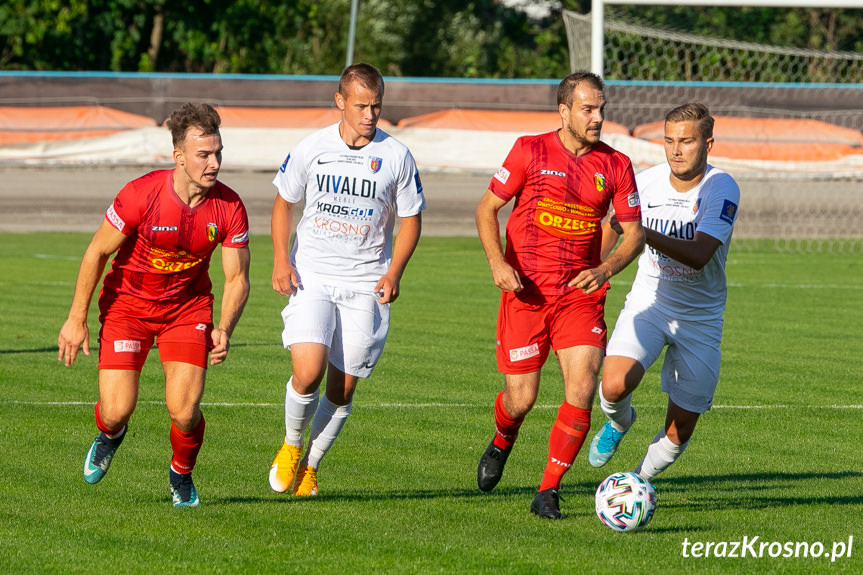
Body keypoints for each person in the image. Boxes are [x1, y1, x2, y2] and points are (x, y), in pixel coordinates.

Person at [57, 103, 251, 508]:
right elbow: (96, 253)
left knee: (184, 411)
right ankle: (109, 435)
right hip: (128, 308)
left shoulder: (230, 207)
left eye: (218, 152)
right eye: (204, 155)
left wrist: (225, 328)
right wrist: (76, 319)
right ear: (178, 156)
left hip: (187, 310)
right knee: (115, 411)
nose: (214, 162)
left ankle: (181, 473)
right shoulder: (140, 194)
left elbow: (236, 278)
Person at [475, 71, 646, 519]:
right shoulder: (529, 150)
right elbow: (487, 208)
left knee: (583, 386)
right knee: (521, 399)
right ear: (564, 111)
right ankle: (502, 439)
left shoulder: (616, 164)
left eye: (602, 109)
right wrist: (498, 262)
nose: (598, 117)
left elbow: (633, 233)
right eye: (588, 109)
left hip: (579, 295)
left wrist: (605, 268)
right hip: (527, 292)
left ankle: (548, 489)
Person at [268, 63, 425, 497]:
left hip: (367, 283)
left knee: (343, 386)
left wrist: (395, 272)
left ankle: (310, 468)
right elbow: (283, 204)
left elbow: (410, 221)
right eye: (361, 106)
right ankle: (291, 445)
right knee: (308, 371)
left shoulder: (396, 156)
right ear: (340, 102)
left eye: (376, 106)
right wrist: (282, 259)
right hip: (313, 275)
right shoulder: (311, 148)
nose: (370, 115)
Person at [588, 102, 740, 483]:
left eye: (687, 141)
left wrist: (640, 232)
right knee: (613, 385)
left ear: (708, 144)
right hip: (650, 303)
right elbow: (612, 225)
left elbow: (700, 254)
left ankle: (635, 482)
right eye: (669, 141)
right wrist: (595, 268)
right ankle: (620, 424)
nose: (675, 150)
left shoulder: (721, 187)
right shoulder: (646, 181)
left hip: (700, 319)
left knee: (680, 429)